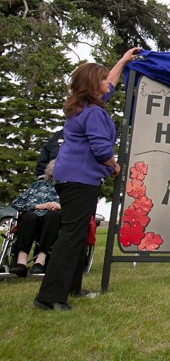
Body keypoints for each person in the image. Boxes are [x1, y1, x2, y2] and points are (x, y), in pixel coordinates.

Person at [34, 48, 139, 311]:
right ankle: (49, 297)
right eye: (102, 80)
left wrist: (124, 61)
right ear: (93, 85)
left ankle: (72, 287)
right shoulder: (92, 113)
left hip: (71, 178)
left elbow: (110, 84)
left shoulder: (80, 108)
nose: (108, 83)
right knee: (71, 236)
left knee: (79, 234)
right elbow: (102, 149)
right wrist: (114, 165)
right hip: (79, 180)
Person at [9, 161, 61, 277]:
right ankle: (21, 262)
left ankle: (40, 261)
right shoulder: (37, 185)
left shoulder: (68, 188)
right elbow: (17, 203)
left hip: (53, 218)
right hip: (33, 216)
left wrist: (59, 205)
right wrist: (37, 206)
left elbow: (74, 205)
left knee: (52, 216)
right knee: (28, 216)